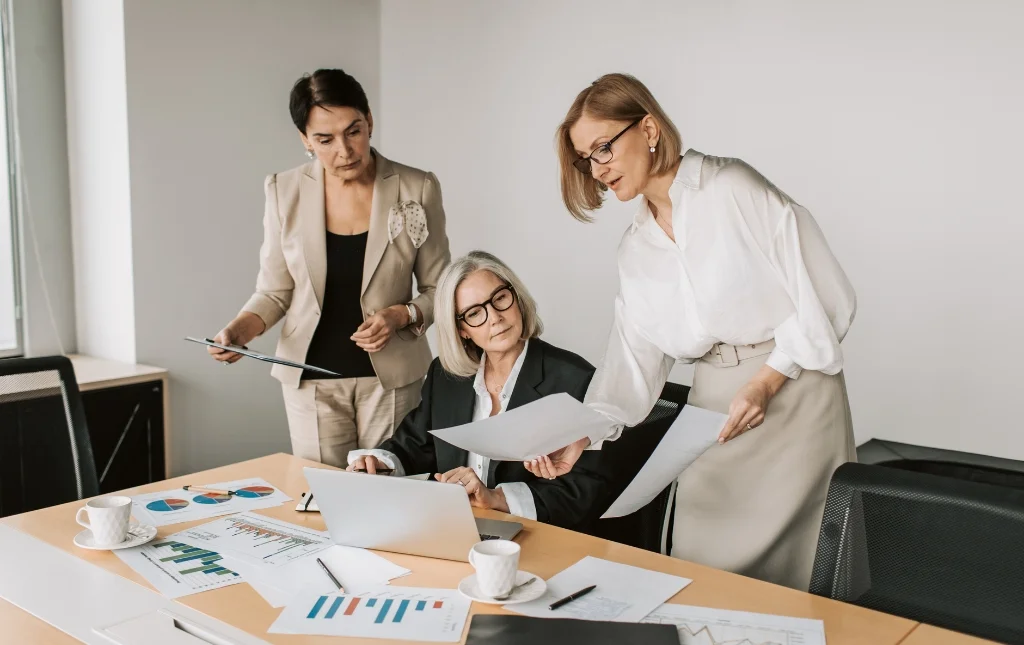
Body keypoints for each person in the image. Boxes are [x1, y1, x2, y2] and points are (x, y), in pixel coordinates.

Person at [531, 73, 857, 590]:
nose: (598, 169)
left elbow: (827, 295)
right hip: (715, 407)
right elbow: (632, 363)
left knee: (804, 574)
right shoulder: (635, 248)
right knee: (700, 566)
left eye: (603, 148)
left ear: (649, 129)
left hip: (797, 396)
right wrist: (583, 434)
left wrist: (767, 380)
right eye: (586, 159)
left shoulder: (731, 187)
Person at [209, 69, 450, 467]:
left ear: (369, 121)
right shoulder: (282, 189)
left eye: (353, 131)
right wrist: (238, 331)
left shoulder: (416, 187)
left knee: (390, 489)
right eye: (325, 139)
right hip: (308, 379)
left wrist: (400, 315)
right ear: (305, 139)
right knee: (323, 495)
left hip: (392, 378)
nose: (345, 150)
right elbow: (274, 291)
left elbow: (440, 287)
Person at [347, 251, 609, 531]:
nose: (495, 317)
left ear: (516, 298)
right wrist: (379, 464)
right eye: (474, 313)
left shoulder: (575, 379)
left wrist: (497, 498)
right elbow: (414, 445)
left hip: (536, 535)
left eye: (500, 299)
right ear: (461, 330)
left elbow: (586, 490)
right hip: (452, 528)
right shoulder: (446, 376)